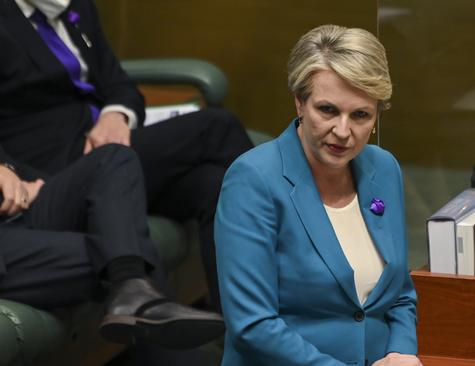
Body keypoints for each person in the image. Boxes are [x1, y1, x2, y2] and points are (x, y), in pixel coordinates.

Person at [0, 0, 253, 310]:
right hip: (56, 168)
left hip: (108, 145)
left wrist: (116, 115)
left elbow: (120, 84)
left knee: (213, 185)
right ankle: (298, 260)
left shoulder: (75, 7)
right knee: (217, 126)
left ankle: (244, 327)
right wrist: (10, 170)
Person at [215, 25, 422, 365]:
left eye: (360, 115)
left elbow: (399, 292)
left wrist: (401, 351)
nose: (343, 132)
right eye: (327, 110)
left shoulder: (383, 168)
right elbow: (253, 325)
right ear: (299, 102)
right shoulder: (253, 180)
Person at [0, 144, 223, 350]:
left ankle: (132, 292)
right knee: (118, 252)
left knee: (114, 157)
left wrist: (11, 173)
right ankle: (133, 291)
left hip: (12, 206)